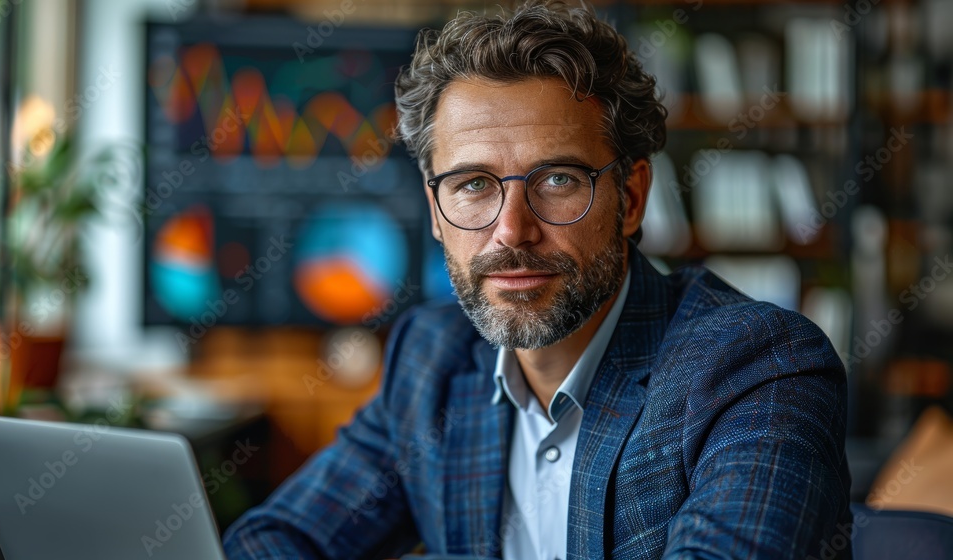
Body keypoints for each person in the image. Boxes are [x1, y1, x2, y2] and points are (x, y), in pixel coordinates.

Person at [223, 2, 851, 558]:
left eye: (558, 180)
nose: (511, 232)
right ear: (436, 212)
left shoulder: (756, 366)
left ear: (630, 199)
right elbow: (273, 540)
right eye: (471, 186)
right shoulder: (430, 361)